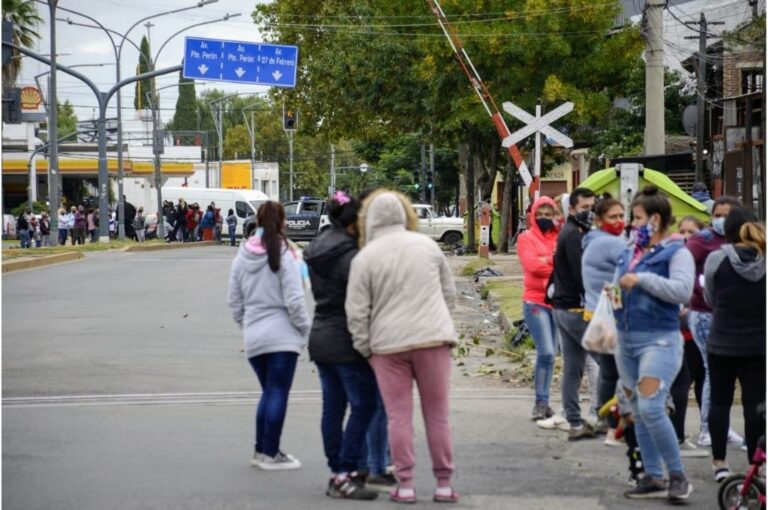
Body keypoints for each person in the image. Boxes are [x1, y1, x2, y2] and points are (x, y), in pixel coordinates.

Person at [347, 190, 459, 504]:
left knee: (398, 416)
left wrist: (365, 347)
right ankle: (444, 484)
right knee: (437, 415)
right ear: (404, 214)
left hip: (387, 345)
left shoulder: (365, 256)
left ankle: (406, 484)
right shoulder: (428, 246)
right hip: (433, 339)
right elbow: (448, 294)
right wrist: (441, 324)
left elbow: (357, 311)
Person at [614, 185, 694, 502]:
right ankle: (653, 475)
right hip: (626, 339)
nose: (632, 224)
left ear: (656, 219)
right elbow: (618, 287)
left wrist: (643, 280)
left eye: (637, 218)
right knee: (637, 410)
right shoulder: (631, 251)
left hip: (659, 340)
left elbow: (683, 291)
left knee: (651, 405)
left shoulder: (678, 252)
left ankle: (678, 475)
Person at [304, 191, 380, 500]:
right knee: (363, 406)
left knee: (333, 409)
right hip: (346, 339)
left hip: (321, 334)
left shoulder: (318, 247)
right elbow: (361, 301)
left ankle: (338, 470)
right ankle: (346, 471)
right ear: (353, 222)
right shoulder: (351, 257)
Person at [227, 201, 309, 471]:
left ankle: (262, 450)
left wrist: (247, 324)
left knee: (269, 392)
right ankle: (269, 452)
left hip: (254, 337)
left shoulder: (242, 255)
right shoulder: (286, 253)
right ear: (283, 221)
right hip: (282, 337)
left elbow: (234, 301)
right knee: (276, 393)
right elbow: (295, 300)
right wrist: (304, 329)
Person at [703, 208, 766, 482]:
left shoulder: (716, 258)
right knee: (755, 405)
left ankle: (720, 463)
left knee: (720, 402)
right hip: (758, 346)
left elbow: (710, 297)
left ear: (726, 231)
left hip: (721, 342)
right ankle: (756, 464)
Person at [685, 196, 743, 448]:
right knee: (713, 369)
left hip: (729, 314)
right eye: (717, 214)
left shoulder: (739, 239)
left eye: (727, 214)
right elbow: (685, 267)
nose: (721, 219)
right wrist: (697, 291)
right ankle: (710, 428)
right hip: (705, 312)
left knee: (723, 372)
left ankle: (721, 427)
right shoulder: (703, 240)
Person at [551, 187, 600, 440]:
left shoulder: (571, 232)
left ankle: (574, 421)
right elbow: (582, 275)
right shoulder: (573, 236)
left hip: (562, 308)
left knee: (573, 368)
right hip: (575, 309)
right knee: (606, 362)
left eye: (593, 208)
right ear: (572, 210)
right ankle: (604, 417)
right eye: (585, 209)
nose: (590, 213)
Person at [581, 196, 627, 445]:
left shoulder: (593, 240)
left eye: (622, 215)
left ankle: (606, 420)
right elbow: (630, 274)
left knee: (609, 372)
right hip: (611, 316)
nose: (620, 221)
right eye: (613, 217)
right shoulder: (611, 244)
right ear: (599, 220)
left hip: (596, 312)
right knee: (618, 372)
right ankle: (613, 423)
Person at [516, 196, 559, 421]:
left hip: (558, 302)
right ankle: (540, 402)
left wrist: (548, 260)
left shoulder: (559, 236)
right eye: (540, 215)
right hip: (535, 302)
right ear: (533, 215)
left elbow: (567, 262)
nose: (544, 218)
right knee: (547, 351)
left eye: (548, 215)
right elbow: (531, 265)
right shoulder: (526, 238)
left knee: (552, 356)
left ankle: (545, 401)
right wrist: (554, 263)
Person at [670, 216, 709, 458]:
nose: (686, 236)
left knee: (704, 381)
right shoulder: (676, 259)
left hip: (701, 331)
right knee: (682, 383)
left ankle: (709, 430)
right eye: (682, 231)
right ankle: (677, 434)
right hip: (681, 332)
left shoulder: (708, 260)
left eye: (691, 232)